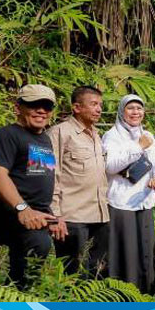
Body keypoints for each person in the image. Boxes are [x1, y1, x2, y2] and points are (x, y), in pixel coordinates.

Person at [0, 84, 59, 287]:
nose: (41, 111)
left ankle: (16, 295)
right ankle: (16, 298)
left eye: (47, 106)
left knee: (66, 241)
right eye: (34, 105)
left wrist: (52, 217)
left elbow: (39, 178)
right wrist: (22, 208)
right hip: (8, 214)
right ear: (18, 107)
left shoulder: (44, 139)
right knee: (37, 245)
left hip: (36, 214)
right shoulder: (6, 135)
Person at [102, 94, 155, 292]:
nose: (135, 112)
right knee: (126, 249)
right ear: (122, 111)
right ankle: (122, 291)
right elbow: (110, 166)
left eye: (139, 109)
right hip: (121, 202)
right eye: (131, 108)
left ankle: (144, 291)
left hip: (144, 201)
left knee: (144, 247)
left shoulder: (147, 135)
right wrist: (138, 147)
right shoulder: (112, 136)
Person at [48, 86, 109, 276]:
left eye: (100, 105)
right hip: (72, 216)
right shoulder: (59, 133)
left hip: (99, 215)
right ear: (76, 107)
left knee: (96, 271)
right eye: (93, 104)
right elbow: (51, 175)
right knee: (72, 273)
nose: (98, 109)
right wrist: (55, 215)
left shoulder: (96, 135)